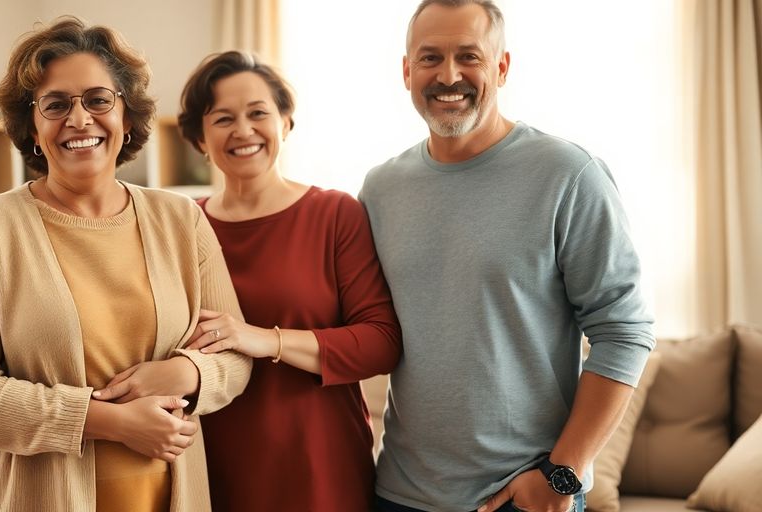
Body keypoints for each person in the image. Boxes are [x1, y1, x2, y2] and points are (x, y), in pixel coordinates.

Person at [0, 17, 251, 512]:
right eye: (56, 105)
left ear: (126, 117)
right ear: (32, 126)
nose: (79, 120)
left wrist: (184, 372)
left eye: (98, 100)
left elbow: (233, 357)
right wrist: (111, 422)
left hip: (171, 496)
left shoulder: (182, 220)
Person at [358, 1, 656, 512]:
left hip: (523, 496)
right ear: (407, 71)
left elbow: (624, 332)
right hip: (399, 493)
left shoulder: (569, 174)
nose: (448, 75)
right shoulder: (381, 188)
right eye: (430, 58)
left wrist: (562, 474)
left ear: (501, 66)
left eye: (468, 56)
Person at [108, 50, 402, 511]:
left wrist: (263, 340)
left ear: (286, 122)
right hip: (210, 461)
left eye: (258, 113)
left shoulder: (334, 214)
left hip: (319, 465)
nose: (243, 130)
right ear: (199, 139)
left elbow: (381, 342)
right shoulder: (181, 226)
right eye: (223, 118)